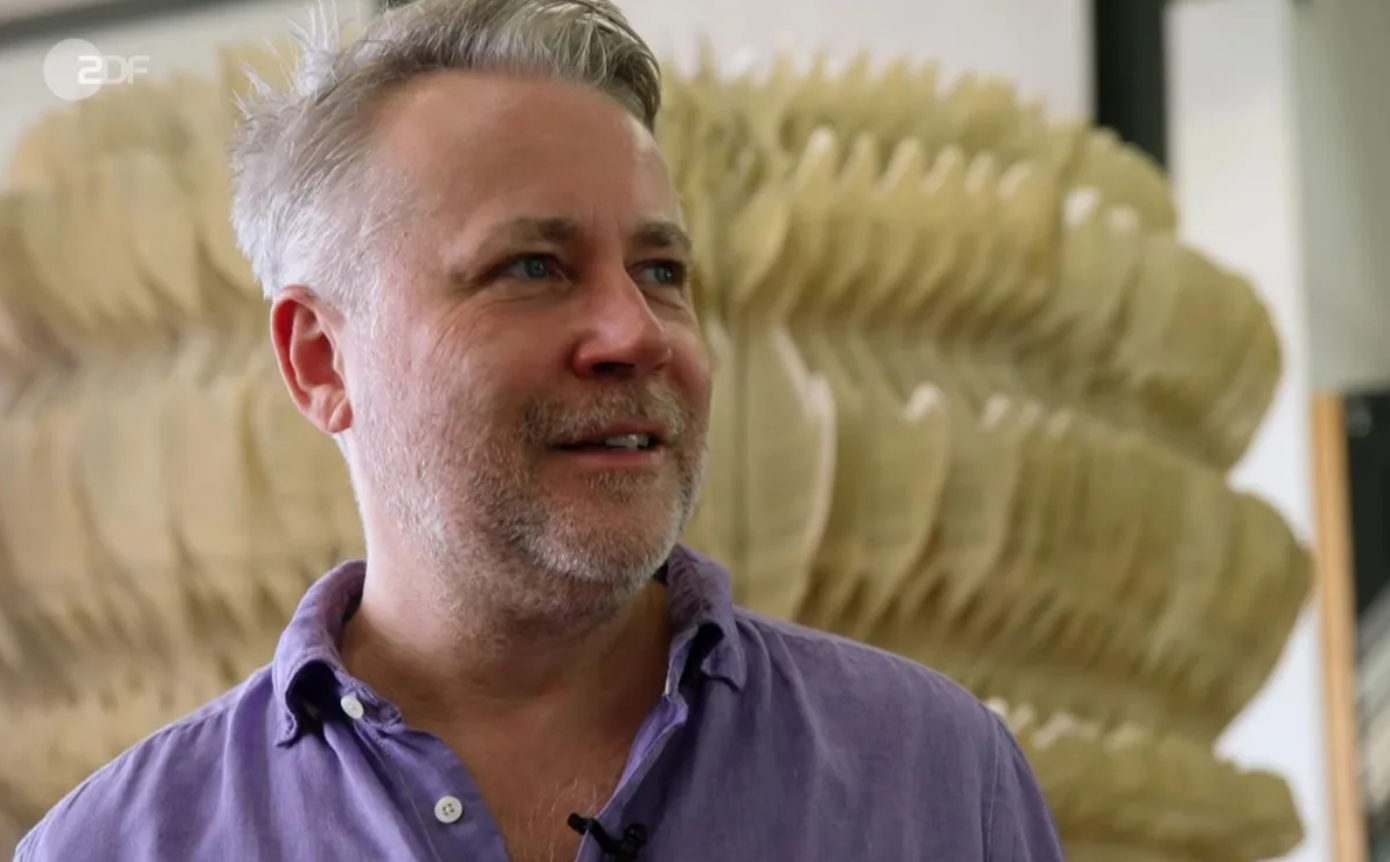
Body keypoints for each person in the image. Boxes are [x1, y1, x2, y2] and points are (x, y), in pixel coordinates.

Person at [15, 0, 1067, 860]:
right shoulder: (116, 847)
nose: (636, 332)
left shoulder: (937, 782)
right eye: (532, 267)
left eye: (660, 270)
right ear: (322, 360)